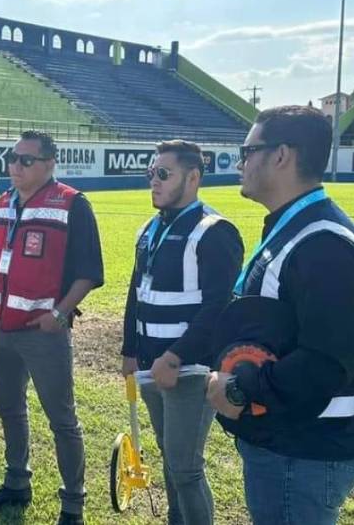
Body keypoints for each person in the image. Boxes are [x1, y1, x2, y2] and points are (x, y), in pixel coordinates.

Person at [206, 105, 354, 525]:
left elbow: (324, 364)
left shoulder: (323, 245)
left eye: (247, 150)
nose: (240, 161)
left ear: (281, 155)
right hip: (287, 444)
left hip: (303, 451)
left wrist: (238, 389)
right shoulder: (296, 227)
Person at [0, 130, 104, 525]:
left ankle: (73, 505)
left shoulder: (72, 203)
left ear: (49, 164)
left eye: (26, 160)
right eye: (13, 158)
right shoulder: (5, 201)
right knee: (9, 407)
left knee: (61, 418)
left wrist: (60, 314)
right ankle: (16, 482)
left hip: (43, 332)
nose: (16, 166)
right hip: (0, 326)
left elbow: (89, 271)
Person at [121, 140, 243, 525]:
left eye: (163, 174)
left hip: (187, 368)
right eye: (151, 173)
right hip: (150, 365)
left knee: (186, 468)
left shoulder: (215, 230)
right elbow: (135, 293)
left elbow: (219, 308)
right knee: (171, 459)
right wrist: (129, 350)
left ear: (193, 177)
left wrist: (174, 356)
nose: (153, 182)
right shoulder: (151, 227)